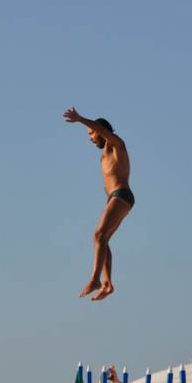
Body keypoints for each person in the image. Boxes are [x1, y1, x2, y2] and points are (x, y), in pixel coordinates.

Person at [63, 107, 134, 301]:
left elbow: (104, 132)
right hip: (115, 198)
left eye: (92, 133)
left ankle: (95, 279)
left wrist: (80, 119)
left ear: (102, 131)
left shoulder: (117, 146)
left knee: (98, 235)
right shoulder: (103, 156)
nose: (91, 137)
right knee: (102, 240)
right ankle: (107, 284)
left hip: (122, 194)